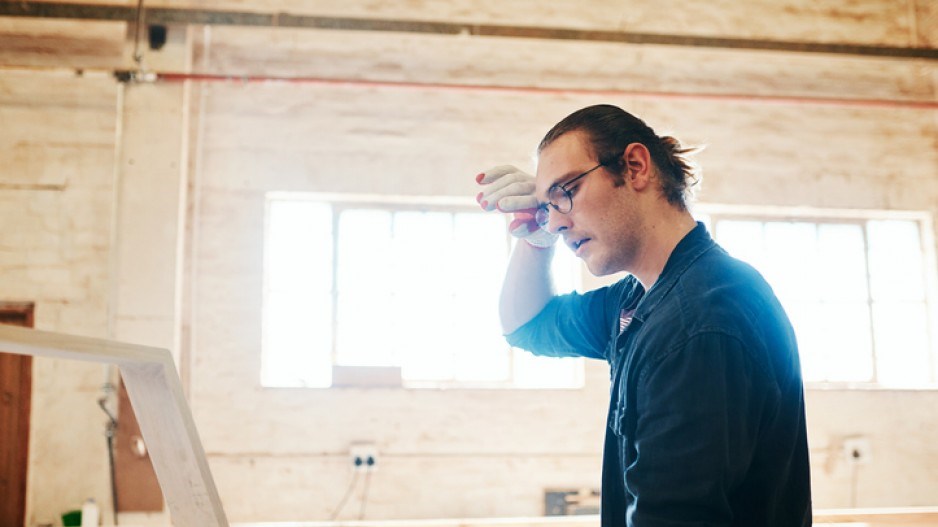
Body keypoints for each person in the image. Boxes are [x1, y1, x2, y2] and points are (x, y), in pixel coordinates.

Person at [475, 104, 812, 526]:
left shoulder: (699, 320)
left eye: (566, 191)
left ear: (635, 167)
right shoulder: (642, 299)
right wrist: (536, 240)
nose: (558, 222)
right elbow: (528, 326)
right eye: (548, 207)